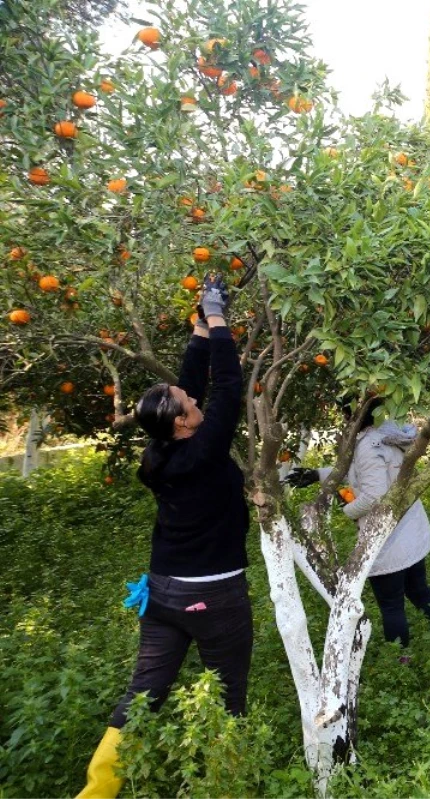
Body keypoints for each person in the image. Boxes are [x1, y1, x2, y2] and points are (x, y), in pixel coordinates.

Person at [78, 275, 251, 798]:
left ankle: (96, 791)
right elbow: (228, 386)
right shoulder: (204, 449)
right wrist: (219, 319)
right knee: (228, 692)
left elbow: (193, 385)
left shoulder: (160, 452)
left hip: (165, 591)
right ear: (182, 422)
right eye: (183, 400)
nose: (189, 395)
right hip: (212, 594)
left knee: (143, 690)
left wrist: (200, 326)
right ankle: (227, 781)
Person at [284, 401, 430, 655]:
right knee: (419, 590)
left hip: (387, 537)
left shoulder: (368, 445)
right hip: (410, 532)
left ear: (352, 414)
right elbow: (362, 472)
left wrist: (347, 509)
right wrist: (317, 474)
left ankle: (399, 662)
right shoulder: (387, 433)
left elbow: (373, 495)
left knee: (391, 605)